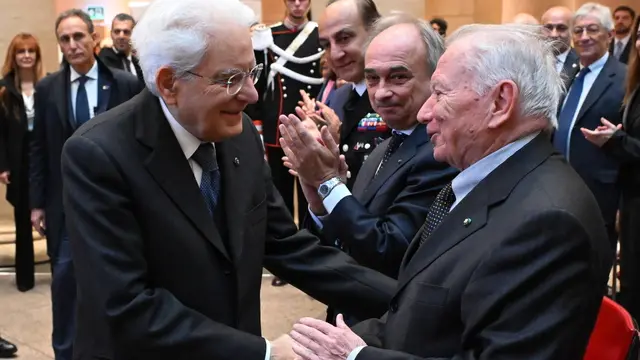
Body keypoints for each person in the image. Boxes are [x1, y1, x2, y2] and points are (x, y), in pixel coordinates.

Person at [60, 0, 396, 358]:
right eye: (231, 79)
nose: (251, 95)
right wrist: (265, 353)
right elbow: (126, 306)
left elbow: (286, 246)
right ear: (169, 83)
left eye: (250, 73)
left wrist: (406, 298)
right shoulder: (98, 155)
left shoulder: (240, 137)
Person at [286, 23, 612, 360]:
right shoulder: (486, 179)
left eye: (440, 93)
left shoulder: (549, 222)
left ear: (500, 102)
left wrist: (356, 356)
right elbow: (412, 311)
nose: (426, 111)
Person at [280, 14, 457, 325]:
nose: (381, 92)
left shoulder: (440, 153)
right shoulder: (386, 144)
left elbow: (389, 249)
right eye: (372, 78)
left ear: (436, 77)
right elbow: (339, 245)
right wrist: (320, 201)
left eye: (398, 77)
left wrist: (328, 182)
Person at [30, 9, 141, 360]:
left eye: (79, 36)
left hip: (115, 205)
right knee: (64, 283)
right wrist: (36, 203)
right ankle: (65, 353)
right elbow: (39, 149)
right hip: (64, 206)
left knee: (119, 282)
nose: (73, 45)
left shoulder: (123, 84)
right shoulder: (48, 88)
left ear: (94, 38)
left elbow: (139, 145)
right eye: (65, 39)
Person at [246, 0, 323, 246]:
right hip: (277, 121)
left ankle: (313, 244)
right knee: (281, 190)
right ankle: (288, 246)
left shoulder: (319, 34)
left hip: (310, 120)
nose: (298, 4)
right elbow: (257, 79)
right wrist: (255, 118)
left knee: (311, 188)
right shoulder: (270, 34)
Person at [552, 2, 627, 252]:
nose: (584, 37)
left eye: (592, 30)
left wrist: (616, 139)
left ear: (610, 35)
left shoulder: (625, 79)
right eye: (578, 31)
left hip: (602, 194)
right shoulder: (567, 75)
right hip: (560, 188)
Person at [582, 14, 640, 322]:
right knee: (630, 283)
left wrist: (618, 140)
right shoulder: (637, 83)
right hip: (630, 198)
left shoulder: (623, 78)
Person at [316, 0, 389, 191]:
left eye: (344, 38)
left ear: (375, 31)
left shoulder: (396, 97)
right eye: (326, 45)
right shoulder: (338, 97)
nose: (334, 55)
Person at [0, 33, 44, 292]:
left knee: (48, 214)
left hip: (42, 160)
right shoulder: (4, 90)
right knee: (22, 219)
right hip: (17, 163)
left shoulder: (47, 86)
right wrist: (2, 165)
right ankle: (25, 278)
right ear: (13, 56)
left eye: (31, 51)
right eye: (21, 51)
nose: (26, 55)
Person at [541, 6, 580, 89]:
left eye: (561, 28)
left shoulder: (582, 63)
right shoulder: (532, 60)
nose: (553, 34)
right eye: (548, 27)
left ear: (572, 31)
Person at [98, 13, 144, 83]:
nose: (121, 36)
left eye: (126, 32)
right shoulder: (104, 59)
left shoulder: (138, 61)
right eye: (117, 32)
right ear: (111, 34)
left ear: (134, 34)